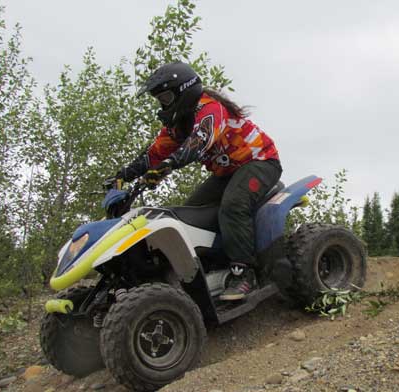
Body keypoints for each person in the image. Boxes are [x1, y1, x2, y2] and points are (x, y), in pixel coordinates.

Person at [112, 61, 282, 300]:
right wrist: (122, 175)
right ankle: (212, 268)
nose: (163, 105)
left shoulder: (210, 109)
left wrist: (168, 166)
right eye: (160, 100)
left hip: (260, 162)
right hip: (227, 173)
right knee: (187, 215)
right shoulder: (178, 125)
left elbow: (198, 142)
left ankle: (244, 272)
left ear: (184, 90)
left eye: (166, 97)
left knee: (233, 206)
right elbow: (153, 154)